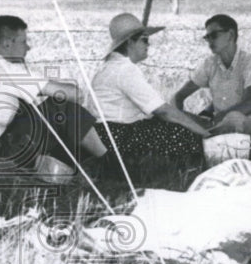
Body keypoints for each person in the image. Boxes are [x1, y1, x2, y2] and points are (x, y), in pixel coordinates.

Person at [0, 15, 108, 172]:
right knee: (62, 109)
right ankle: (111, 163)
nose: (28, 47)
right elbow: (75, 95)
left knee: (30, 109)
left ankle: (70, 165)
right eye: (23, 41)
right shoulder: (7, 69)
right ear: (7, 44)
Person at [90, 13, 211, 177]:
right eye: (144, 40)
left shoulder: (109, 67)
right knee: (182, 131)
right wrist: (203, 132)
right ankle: (189, 171)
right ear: (130, 42)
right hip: (117, 137)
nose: (149, 44)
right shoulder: (125, 70)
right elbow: (163, 111)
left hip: (103, 136)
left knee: (173, 124)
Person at [172, 14, 251, 134]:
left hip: (249, 125)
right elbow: (179, 96)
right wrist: (178, 117)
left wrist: (216, 119)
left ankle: (204, 135)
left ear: (231, 35)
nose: (210, 41)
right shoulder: (209, 64)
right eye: (207, 37)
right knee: (168, 115)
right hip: (217, 124)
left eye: (214, 35)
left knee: (234, 119)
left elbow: (248, 104)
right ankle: (204, 135)